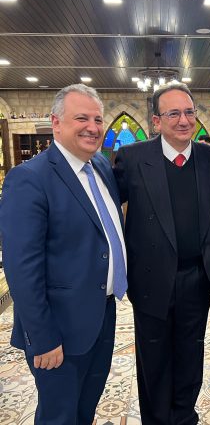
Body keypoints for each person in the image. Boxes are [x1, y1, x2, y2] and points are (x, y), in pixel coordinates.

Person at [0, 84, 127, 424]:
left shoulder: (100, 167)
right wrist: (42, 338)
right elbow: (22, 268)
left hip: (100, 316)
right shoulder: (29, 178)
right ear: (56, 123)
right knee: (59, 416)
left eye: (98, 119)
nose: (93, 127)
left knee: (84, 410)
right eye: (81, 118)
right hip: (58, 329)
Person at [114, 83, 210, 425]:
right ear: (156, 121)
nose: (184, 120)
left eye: (189, 112)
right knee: (154, 359)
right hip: (151, 279)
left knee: (191, 356)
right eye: (173, 113)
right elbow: (105, 208)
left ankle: (185, 417)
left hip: (196, 277)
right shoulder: (132, 158)